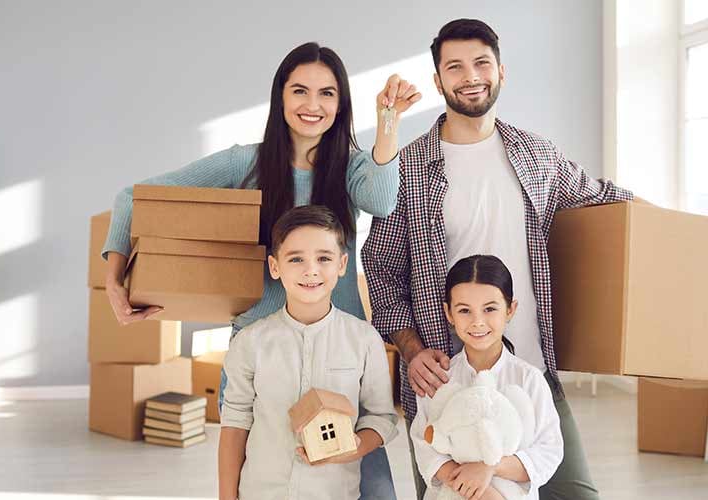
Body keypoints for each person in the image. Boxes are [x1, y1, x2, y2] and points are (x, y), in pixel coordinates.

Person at [102, 41, 420, 499]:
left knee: (370, 489)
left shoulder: (351, 169)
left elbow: (382, 199)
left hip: (341, 352)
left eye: (327, 94)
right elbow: (133, 199)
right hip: (261, 352)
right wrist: (115, 281)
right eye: (300, 91)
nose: (313, 105)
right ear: (280, 97)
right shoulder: (243, 164)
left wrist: (389, 121)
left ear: (341, 103)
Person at [363, 19, 645, 499]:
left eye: (481, 63)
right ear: (438, 81)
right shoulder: (408, 167)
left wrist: (687, 235)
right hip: (446, 389)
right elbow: (382, 271)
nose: (470, 75)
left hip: (532, 372)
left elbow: (605, 200)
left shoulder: (537, 155)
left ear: (501, 71)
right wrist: (410, 353)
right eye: (454, 66)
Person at [218, 205, 398, 500]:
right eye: (296, 258)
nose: (311, 269)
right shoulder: (250, 342)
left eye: (323, 258)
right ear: (275, 267)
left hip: (335, 493)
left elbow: (382, 418)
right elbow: (235, 425)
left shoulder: (364, 339)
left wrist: (353, 446)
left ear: (342, 265)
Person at [411, 255, 563, 500]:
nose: (477, 322)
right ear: (448, 313)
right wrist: (475, 489)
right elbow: (424, 442)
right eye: (464, 311)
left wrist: (489, 467)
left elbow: (548, 450)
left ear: (510, 309)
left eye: (490, 308)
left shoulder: (529, 379)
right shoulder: (439, 378)